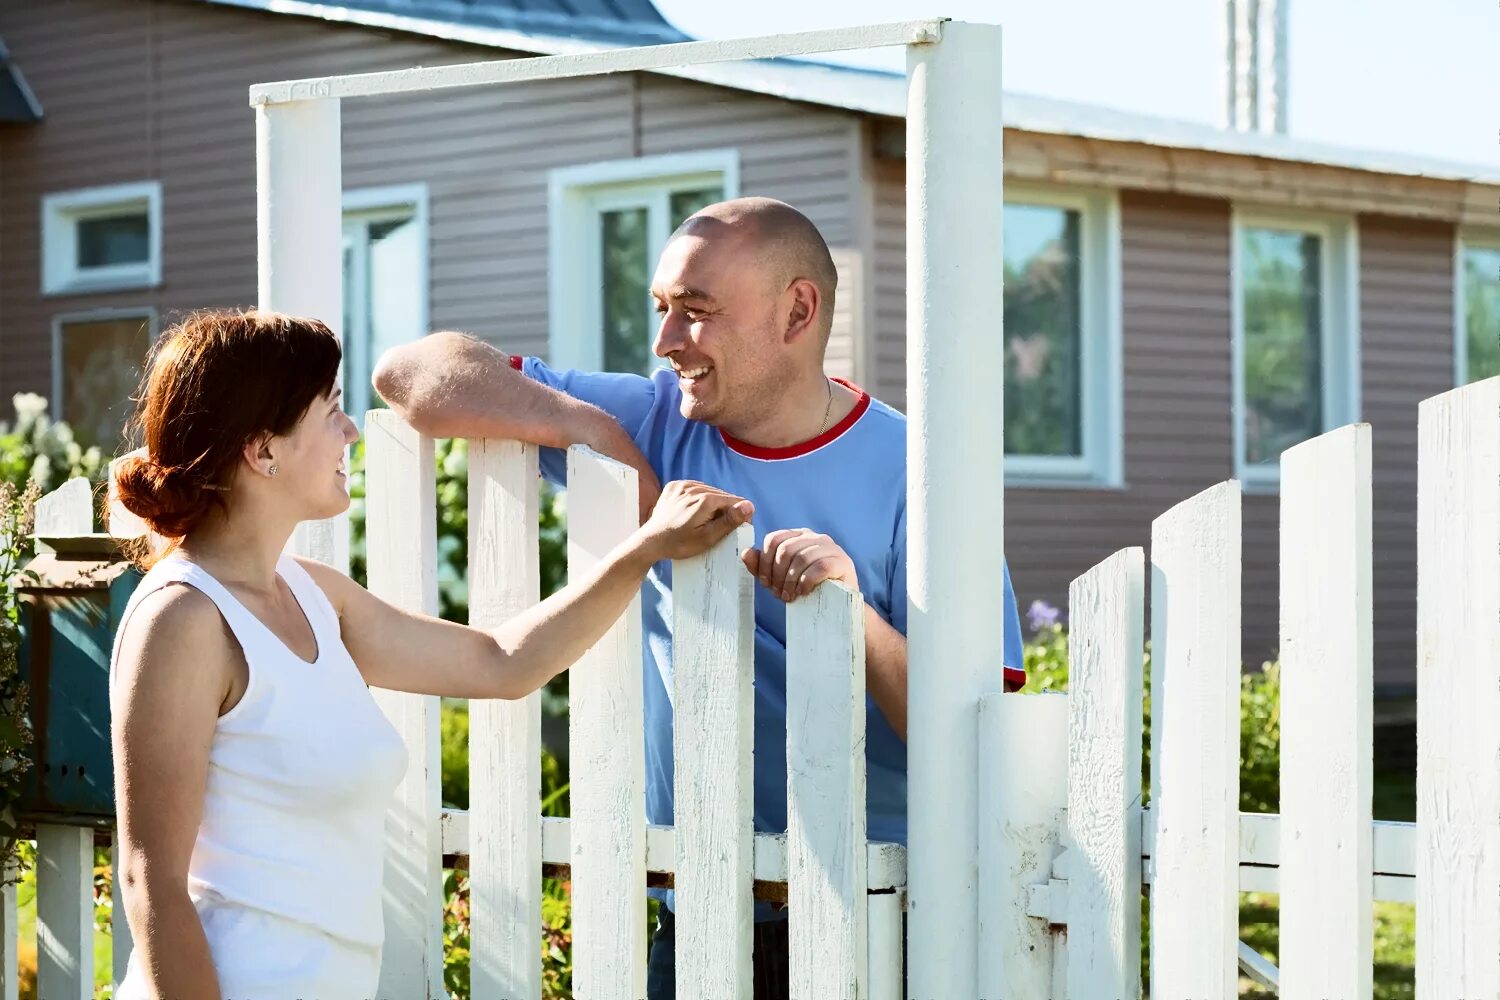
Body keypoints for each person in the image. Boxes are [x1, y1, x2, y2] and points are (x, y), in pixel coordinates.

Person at [373, 197, 1024, 998]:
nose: (665, 341)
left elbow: (973, 737)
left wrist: (845, 611)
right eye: (662, 309)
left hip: (882, 915)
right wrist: (599, 434)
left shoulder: (921, 475)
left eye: (697, 312)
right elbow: (411, 373)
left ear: (797, 311)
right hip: (698, 900)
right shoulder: (653, 419)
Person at [108, 309, 752, 1000]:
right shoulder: (182, 618)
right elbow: (153, 880)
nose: (350, 429)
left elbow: (503, 661)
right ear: (263, 451)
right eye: (329, 411)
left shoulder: (310, 594)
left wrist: (646, 547)